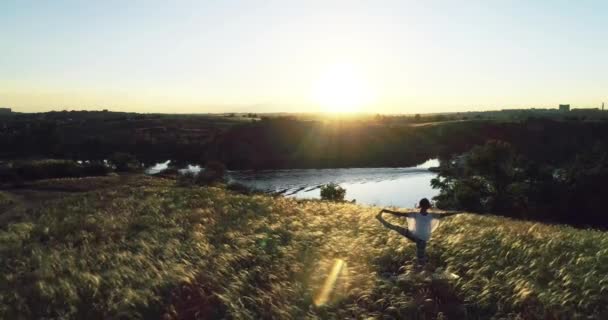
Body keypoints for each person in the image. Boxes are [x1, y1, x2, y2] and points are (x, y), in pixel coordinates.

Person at [376, 198, 461, 266]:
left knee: (395, 227)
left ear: (420, 206)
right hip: (421, 239)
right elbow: (445, 214)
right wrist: (457, 212)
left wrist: (387, 211)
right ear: (428, 206)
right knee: (421, 258)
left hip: (413, 235)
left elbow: (399, 213)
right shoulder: (430, 215)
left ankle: (380, 219)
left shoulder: (416, 214)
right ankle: (422, 271)